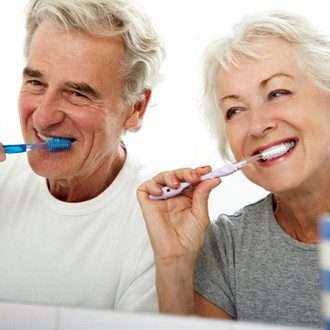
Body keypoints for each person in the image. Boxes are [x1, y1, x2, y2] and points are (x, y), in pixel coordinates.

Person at [137, 10, 328, 328]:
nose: (256, 126)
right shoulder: (225, 247)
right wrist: (175, 265)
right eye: (235, 110)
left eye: (277, 93)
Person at [0, 0, 165, 312]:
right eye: (36, 82)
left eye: (77, 93)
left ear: (135, 107)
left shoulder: (157, 227)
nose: (43, 118)